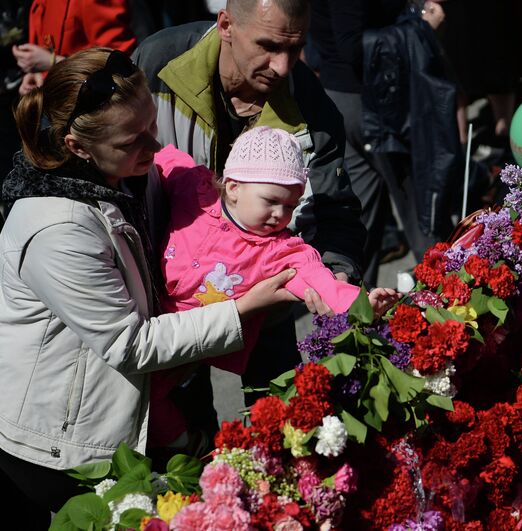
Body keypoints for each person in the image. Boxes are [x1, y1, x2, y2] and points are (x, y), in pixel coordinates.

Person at [0, 47, 299, 526]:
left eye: (152, 125)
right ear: (78, 147)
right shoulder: (58, 227)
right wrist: (241, 308)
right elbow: (129, 342)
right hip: (65, 443)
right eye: (132, 139)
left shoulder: (131, 175)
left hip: (147, 404)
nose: (155, 145)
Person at [132, 0, 367, 434]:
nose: (281, 66)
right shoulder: (159, 63)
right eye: (268, 45)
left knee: (281, 428)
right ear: (225, 25)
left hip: (268, 298)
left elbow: (335, 211)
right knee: (181, 436)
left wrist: (334, 279)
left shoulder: (312, 107)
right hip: (169, 300)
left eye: (295, 50)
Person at [149, 126, 398, 455]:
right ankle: (188, 446)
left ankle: (194, 450)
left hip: (208, 340)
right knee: (147, 401)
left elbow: (318, 280)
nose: (281, 215)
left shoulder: (281, 252)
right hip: (161, 331)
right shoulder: (194, 190)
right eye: (271, 201)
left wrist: (362, 304)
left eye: (291, 206)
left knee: (163, 402)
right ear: (234, 187)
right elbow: (163, 160)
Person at [310, 0, 460, 286]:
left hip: (344, 99)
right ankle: (454, 309)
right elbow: (351, 45)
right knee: (425, 218)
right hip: (372, 104)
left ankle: (350, 320)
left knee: (357, 227)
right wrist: (422, 26)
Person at [12, 0, 137, 95]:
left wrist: (53, 62)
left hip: (92, 112)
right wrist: (36, 72)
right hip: (57, 103)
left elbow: (120, 64)